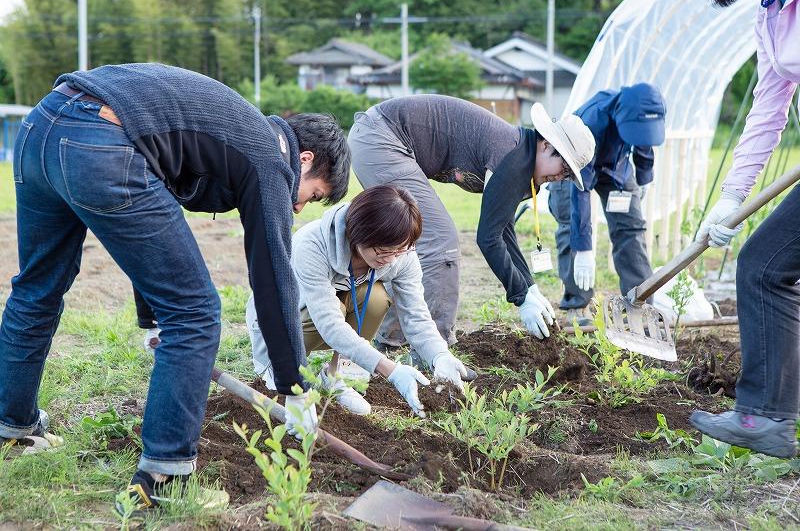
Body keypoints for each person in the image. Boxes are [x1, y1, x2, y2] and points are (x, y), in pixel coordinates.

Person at [0, 63, 350, 510]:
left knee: (37, 290)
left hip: (41, 129)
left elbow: (154, 203)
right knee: (196, 312)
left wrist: (150, 317)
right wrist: (296, 386)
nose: (299, 208)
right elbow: (273, 275)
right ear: (303, 160)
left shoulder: (227, 127)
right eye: (312, 195)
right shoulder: (268, 156)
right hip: (101, 139)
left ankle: (11, 425)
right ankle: (164, 477)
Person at [348, 95, 595, 348]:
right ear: (545, 145)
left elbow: (502, 229)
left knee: (417, 241)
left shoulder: (522, 156)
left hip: (378, 134)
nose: (560, 177)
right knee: (441, 238)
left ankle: (392, 341)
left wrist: (529, 287)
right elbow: (487, 238)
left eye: (567, 175)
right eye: (563, 167)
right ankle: (434, 349)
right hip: (383, 137)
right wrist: (521, 297)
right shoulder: (514, 157)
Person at [247, 185, 470, 416]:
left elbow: (416, 314)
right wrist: (390, 370)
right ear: (358, 234)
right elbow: (328, 322)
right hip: (282, 322)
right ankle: (278, 367)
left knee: (376, 298)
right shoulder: (312, 245)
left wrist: (439, 355)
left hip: (330, 315)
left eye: (400, 250)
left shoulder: (400, 255)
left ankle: (335, 375)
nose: (391, 259)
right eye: (382, 251)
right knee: (318, 322)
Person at [690, 0, 799, 459]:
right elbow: (768, 109)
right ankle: (764, 417)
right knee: (762, 266)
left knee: (763, 266)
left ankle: (766, 417)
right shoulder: (770, 14)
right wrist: (732, 196)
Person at [547, 83, 666, 326]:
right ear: (621, 117)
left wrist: (644, 178)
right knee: (571, 227)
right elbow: (580, 188)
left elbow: (644, 144)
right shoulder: (592, 120)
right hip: (571, 166)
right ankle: (577, 308)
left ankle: (639, 305)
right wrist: (584, 249)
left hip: (616, 168)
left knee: (630, 229)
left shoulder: (640, 114)